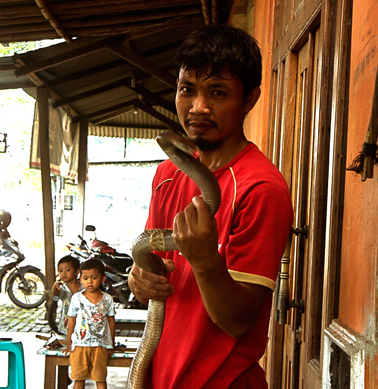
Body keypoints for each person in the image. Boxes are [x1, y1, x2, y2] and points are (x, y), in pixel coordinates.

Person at [128, 25, 293, 388]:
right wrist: (140, 279)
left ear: (250, 99)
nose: (198, 107)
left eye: (217, 93)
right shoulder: (168, 173)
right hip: (162, 376)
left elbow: (237, 321)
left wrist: (204, 261)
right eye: (187, 90)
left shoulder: (261, 188)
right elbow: (157, 267)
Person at [64, 259, 116, 389]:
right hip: (79, 345)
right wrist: (69, 343)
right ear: (80, 278)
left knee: (100, 380)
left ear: (103, 278)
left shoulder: (107, 299)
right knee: (79, 379)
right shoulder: (76, 298)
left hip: (100, 346)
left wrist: (111, 343)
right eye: (86, 278)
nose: (90, 282)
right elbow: (72, 320)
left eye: (94, 278)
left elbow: (111, 321)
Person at [51, 255, 83, 334]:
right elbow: (55, 294)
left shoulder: (83, 287)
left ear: (77, 272)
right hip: (67, 323)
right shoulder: (62, 288)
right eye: (60, 271)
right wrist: (55, 286)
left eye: (68, 270)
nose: (64, 273)